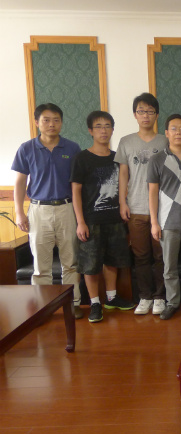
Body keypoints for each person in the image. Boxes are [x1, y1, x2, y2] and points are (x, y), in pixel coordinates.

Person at [12, 103, 84, 319]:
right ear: (37, 122)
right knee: (41, 265)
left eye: (56, 120)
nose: (51, 124)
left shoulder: (72, 148)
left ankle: (73, 303)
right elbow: (20, 183)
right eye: (46, 120)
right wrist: (19, 212)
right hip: (38, 210)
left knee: (70, 262)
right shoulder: (26, 148)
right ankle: (42, 308)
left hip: (67, 209)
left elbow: (78, 184)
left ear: (61, 122)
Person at [71, 111, 134, 322]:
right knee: (91, 264)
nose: (103, 130)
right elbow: (76, 191)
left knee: (112, 260)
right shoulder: (82, 158)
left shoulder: (118, 158)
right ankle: (95, 303)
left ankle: (112, 298)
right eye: (98, 126)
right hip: (91, 220)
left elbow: (124, 186)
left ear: (113, 130)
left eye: (107, 126)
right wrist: (80, 221)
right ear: (90, 131)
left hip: (115, 218)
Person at [115, 93, 168, 316]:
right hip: (135, 207)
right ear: (135, 115)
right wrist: (122, 202)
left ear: (157, 115)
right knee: (141, 256)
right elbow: (123, 174)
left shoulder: (165, 141)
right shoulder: (126, 141)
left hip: (162, 210)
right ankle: (145, 297)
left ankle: (160, 297)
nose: (145, 115)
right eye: (141, 111)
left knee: (161, 256)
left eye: (150, 111)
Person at [148, 114, 181, 321]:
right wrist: (154, 222)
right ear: (166, 133)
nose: (178, 132)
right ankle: (172, 302)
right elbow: (152, 193)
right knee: (169, 267)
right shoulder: (156, 160)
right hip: (167, 222)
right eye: (173, 128)